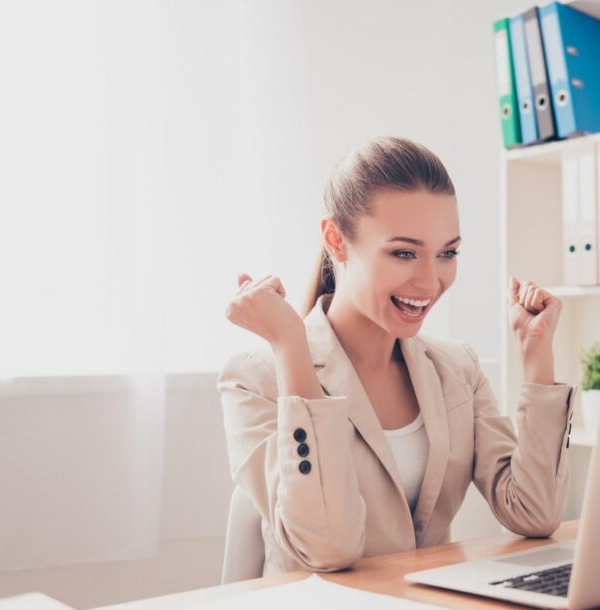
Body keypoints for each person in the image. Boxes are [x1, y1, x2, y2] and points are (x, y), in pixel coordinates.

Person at [217, 136, 577, 575]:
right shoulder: (255, 380)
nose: (429, 282)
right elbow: (328, 548)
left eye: (447, 253)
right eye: (404, 253)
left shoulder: (457, 370)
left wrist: (536, 357)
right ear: (336, 240)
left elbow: (533, 513)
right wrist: (290, 345)